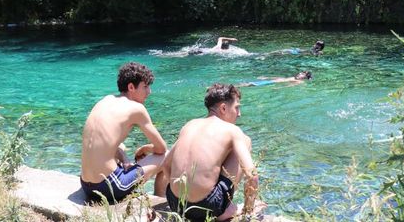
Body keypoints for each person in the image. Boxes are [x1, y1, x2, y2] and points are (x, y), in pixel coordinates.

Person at [162, 84, 261, 222]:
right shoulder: (231, 130)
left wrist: (177, 192)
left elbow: (165, 164)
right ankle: (226, 210)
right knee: (245, 140)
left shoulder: (190, 125)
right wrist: (248, 212)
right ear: (223, 108)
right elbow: (252, 176)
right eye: (237, 107)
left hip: (175, 203)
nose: (239, 114)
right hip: (207, 206)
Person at [80, 62, 168, 204]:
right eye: (145, 86)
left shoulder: (105, 100)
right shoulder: (137, 108)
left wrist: (125, 158)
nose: (149, 92)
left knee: (121, 146)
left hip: (86, 185)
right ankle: (160, 202)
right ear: (131, 87)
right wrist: (145, 149)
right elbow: (161, 148)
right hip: (109, 187)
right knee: (166, 156)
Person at [237, 70, 313, 87]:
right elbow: (280, 78)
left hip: (271, 83)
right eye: (301, 72)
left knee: (250, 84)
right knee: (248, 83)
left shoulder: (299, 82)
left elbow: (289, 86)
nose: (300, 73)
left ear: (305, 77)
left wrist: (279, 88)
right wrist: (266, 77)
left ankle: (234, 86)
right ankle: (234, 86)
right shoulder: (293, 77)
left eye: (303, 74)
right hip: (270, 80)